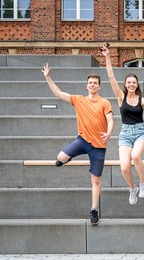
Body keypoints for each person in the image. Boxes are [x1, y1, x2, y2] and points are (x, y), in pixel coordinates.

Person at [41, 63, 114, 225]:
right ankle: (66, 159)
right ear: (87, 85)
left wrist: (108, 133)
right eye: (90, 83)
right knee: (60, 157)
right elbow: (59, 94)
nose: (92, 85)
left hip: (98, 146)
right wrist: (48, 77)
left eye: (95, 83)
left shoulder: (104, 102)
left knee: (95, 180)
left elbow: (110, 120)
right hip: (82, 140)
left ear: (99, 87)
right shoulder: (79, 100)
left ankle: (94, 210)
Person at [101, 44, 144, 205]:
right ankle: (133, 188)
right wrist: (108, 57)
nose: (131, 84)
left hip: (140, 132)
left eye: (134, 82)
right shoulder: (120, 97)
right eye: (129, 82)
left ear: (137, 85)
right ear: (125, 84)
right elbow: (111, 77)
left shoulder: (142, 100)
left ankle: (143, 182)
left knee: (136, 156)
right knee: (124, 168)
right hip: (125, 134)